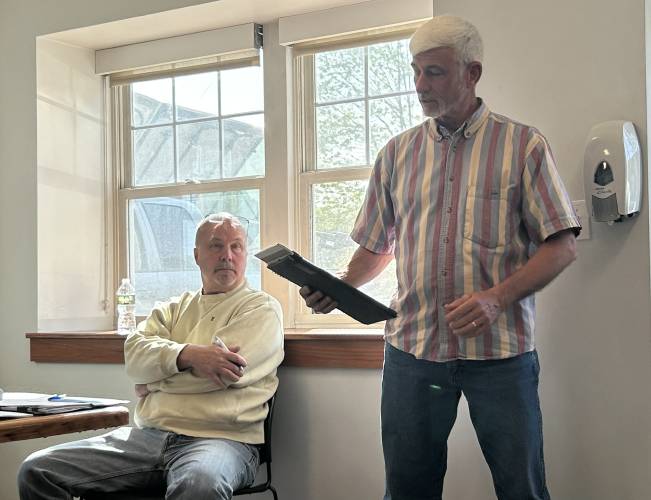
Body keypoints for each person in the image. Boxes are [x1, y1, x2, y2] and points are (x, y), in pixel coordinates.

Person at [301, 15, 580, 500]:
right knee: (408, 489)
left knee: (522, 488)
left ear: (472, 73)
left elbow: (562, 245)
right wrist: (341, 286)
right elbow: (375, 248)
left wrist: (497, 297)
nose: (420, 86)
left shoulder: (523, 146)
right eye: (415, 71)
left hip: (500, 356)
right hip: (413, 353)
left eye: (435, 72)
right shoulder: (395, 155)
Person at [18, 213, 284, 500]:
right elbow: (134, 355)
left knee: (199, 485)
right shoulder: (172, 308)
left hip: (224, 440)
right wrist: (188, 355)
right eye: (216, 246)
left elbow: (225, 376)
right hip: (147, 437)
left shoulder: (261, 309)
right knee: (37, 471)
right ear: (197, 255)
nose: (227, 256)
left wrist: (154, 383)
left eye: (237, 247)